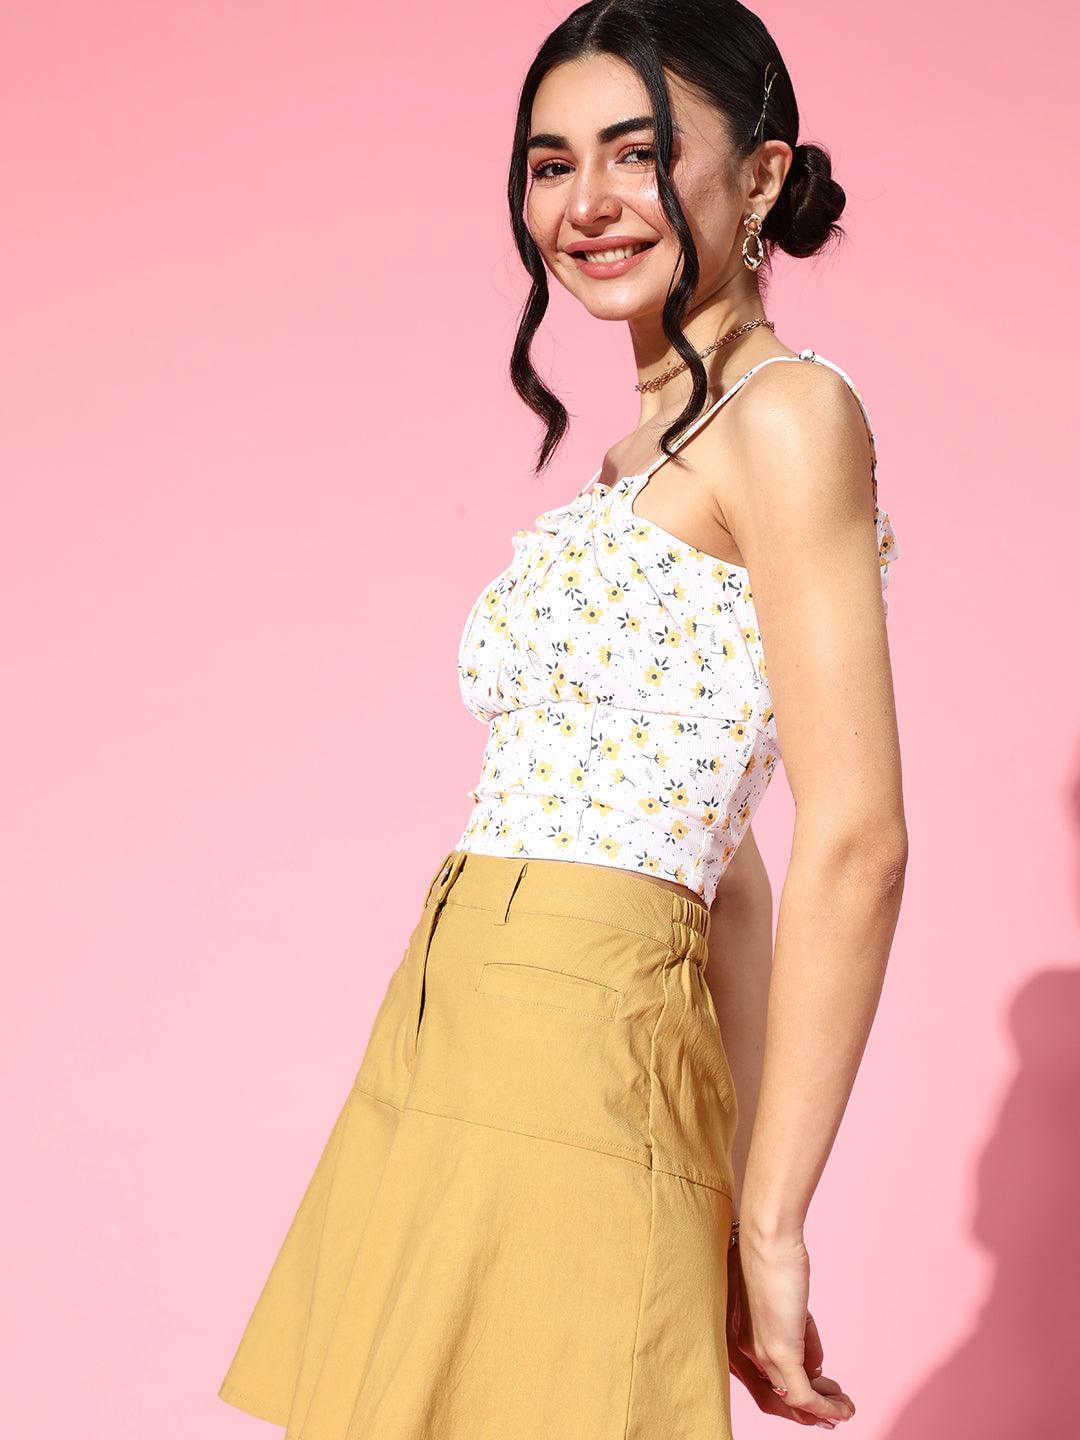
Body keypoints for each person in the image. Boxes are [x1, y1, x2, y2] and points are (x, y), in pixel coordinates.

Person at [217, 2, 907, 1436]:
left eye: (638, 154)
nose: (585, 203)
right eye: (550, 163)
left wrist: (770, 1219)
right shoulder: (638, 451)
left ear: (762, 174)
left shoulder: (787, 417)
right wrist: (735, 1187)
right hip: (455, 1019)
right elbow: (731, 867)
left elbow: (857, 841)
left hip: (578, 1042)